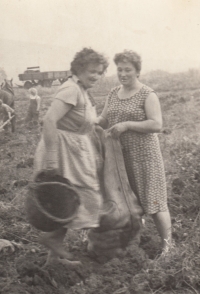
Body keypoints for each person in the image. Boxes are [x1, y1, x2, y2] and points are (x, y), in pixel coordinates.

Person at [33, 48, 108, 266]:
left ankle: (53, 261)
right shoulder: (70, 89)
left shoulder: (83, 90)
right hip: (63, 152)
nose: (95, 76)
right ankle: (51, 239)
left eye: (99, 72)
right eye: (91, 71)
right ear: (79, 68)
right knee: (77, 200)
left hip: (77, 153)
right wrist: (52, 160)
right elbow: (48, 121)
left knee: (67, 202)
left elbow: (87, 124)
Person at [97, 50, 172, 253]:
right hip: (120, 158)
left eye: (128, 69)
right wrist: (90, 123)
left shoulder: (147, 94)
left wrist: (127, 125)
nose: (123, 74)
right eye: (120, 69)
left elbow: (156, 124)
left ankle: (168, 247)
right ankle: (138, 243)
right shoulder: (113, 93)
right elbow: (103, 119)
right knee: (129, 201)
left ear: (137, 71)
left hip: (145, 157)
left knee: (154, 201)